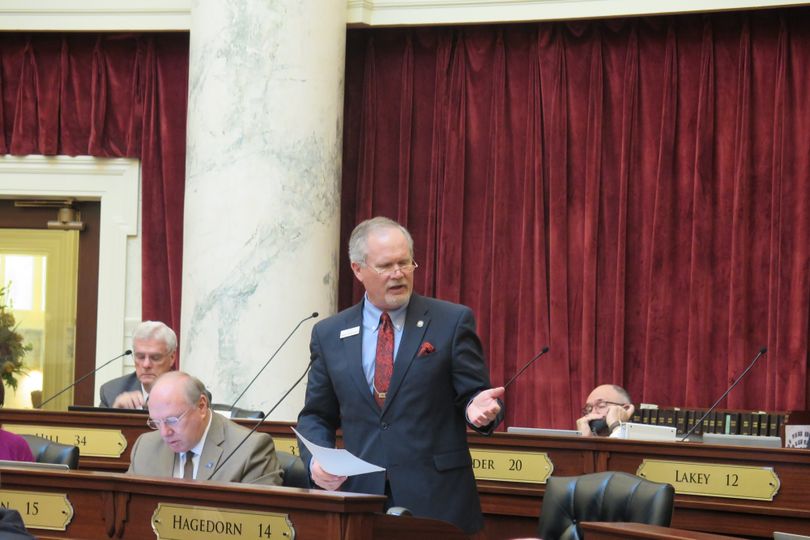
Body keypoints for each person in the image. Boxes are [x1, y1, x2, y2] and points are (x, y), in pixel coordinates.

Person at [296, 217, 504, 535]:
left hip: (437, 500)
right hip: (360, 498)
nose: (398, 274)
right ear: (358, 269)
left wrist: (479, 410)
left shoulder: (451, 321)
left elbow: (475, 396)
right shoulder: (329, 333)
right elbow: (316, 416)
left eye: (405, 263)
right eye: (386, 266)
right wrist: (315, 462)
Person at [127, 371, 282, 485]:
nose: (164, 432)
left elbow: (259, 522)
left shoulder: (250, 450)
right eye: (156, 422)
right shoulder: (145, 448)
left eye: (172, 420)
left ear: (201, 406)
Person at [99, 320, 176, 408]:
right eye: (140, 357)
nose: (146, 365)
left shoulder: (188, 394)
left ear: (172, 357)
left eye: (155, 357)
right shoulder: (111, 392)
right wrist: (116, 413)